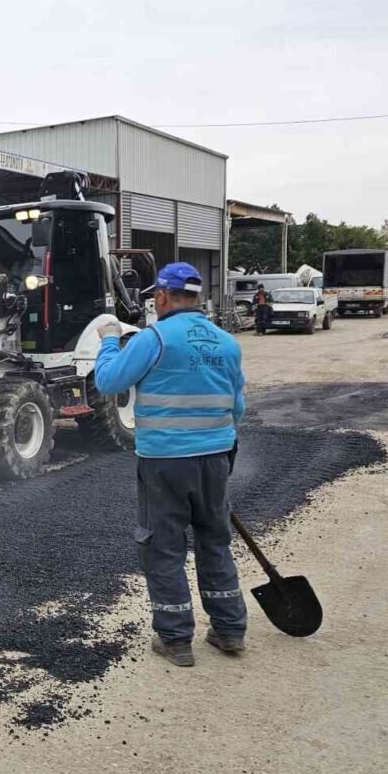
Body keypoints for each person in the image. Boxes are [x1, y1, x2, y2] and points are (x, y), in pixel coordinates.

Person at [94, 263, 247, 667]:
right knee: (215, 540)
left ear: (161, 296)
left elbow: (108, 381)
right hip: (216, 459)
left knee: (163, 546)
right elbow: (238, 407)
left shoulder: (155, 338)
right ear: (196, 297)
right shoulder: (227, 343)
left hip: (164, 461)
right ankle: (230, 630)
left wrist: (109, 340)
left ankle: (176, 638)